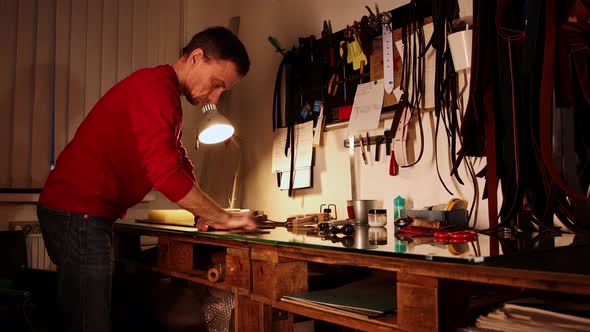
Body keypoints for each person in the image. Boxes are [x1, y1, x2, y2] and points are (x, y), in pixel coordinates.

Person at [37, 26, 256, 332]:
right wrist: (222, 216)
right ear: (196, 57)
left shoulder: (164, 93)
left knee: (103, 312)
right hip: (77, 211)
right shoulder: (154, 88)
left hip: (81, 211)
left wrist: (204, 212)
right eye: (217, 84)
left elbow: (177, 159)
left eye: (223, 91)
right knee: (90, 322)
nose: (215, 97)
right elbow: (165, 174)